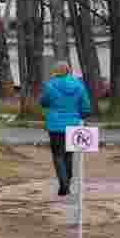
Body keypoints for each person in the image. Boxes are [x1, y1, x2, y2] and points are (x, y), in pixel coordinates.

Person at [39, 61, 92, 196]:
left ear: (55, 72)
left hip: (55, 125)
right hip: (73, 124)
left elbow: (43, 102)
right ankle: (67, 180)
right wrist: (80, 115)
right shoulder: (78, 85)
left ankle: (64, 184)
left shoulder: (50, 85)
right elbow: (86, 106)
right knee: (69, 155)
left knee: (58, 155)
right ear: (69, 71)